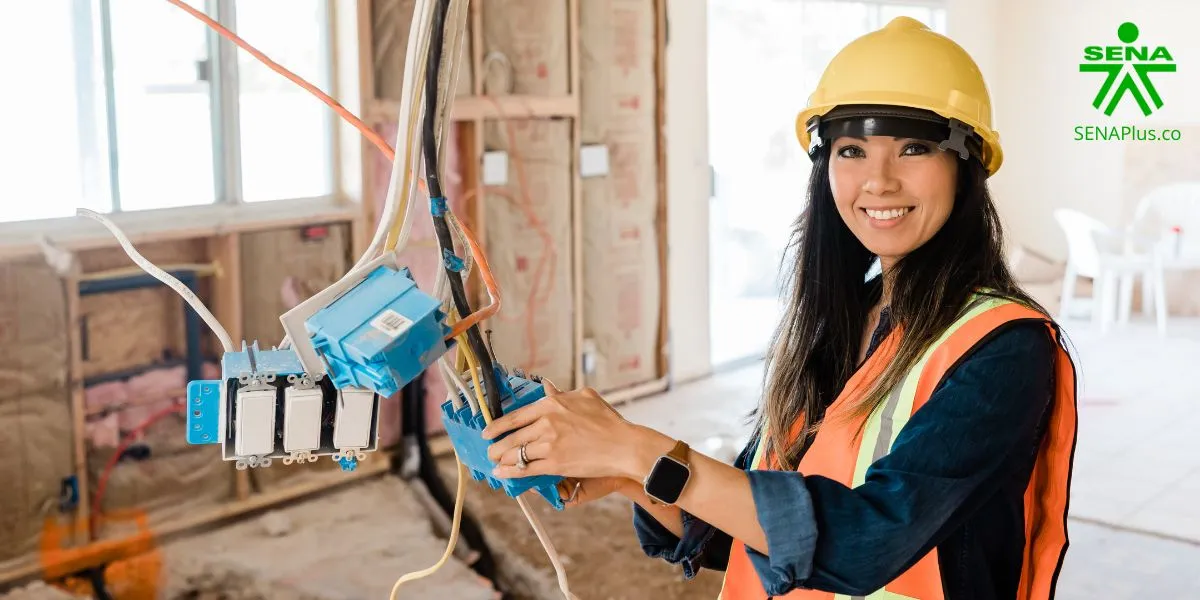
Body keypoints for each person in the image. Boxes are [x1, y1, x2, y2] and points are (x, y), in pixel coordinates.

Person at [481, 16, 1078, 600]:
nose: (879, 181)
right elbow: (730, 530)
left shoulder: (1002, 348)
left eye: (915, 147)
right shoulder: (844, 323)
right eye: (852, 151)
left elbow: (862, 541)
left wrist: (636, 447)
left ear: (967, 164)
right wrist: (633, 477)